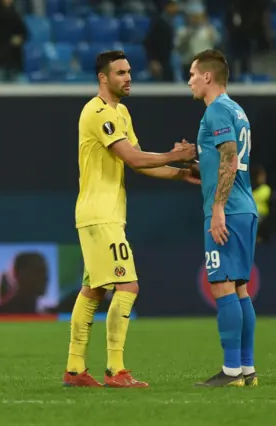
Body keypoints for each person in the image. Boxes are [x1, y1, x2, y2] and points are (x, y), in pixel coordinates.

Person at [64, 50, 198, 388]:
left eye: (129, 71)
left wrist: (179, 173)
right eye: (120, 72)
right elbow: (132, 157)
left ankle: (75, 369)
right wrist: (176, 155)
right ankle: (115, 370)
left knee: (93, 290)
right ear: (103, 78)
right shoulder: (97, 113)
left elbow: (141, 161)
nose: (128, 77)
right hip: (100, 214)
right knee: (128, 285)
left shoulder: (121, 112)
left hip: (104, 215)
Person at [187, 49, 258, 387]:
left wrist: (217, 209)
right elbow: (228, 161)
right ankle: (246, 369)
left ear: (208, 77)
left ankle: (231, 372)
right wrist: (199, 168)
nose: (189, 81)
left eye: (192, 74)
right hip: (244, 207)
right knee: (240, 289)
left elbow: (229, 158)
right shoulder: (236, 109)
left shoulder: (215, 110)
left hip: (227, 209)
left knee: (221, 285)